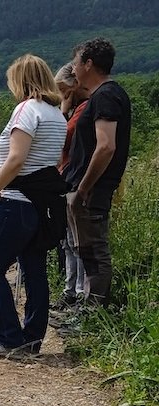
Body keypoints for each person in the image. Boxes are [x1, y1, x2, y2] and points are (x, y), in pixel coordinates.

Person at [0, 54, 67, 359]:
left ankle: (9, 337)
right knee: (34, 268)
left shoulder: (25, 110)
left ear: (21, 80)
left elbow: (17, 158)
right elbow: (40, 159)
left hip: (17, 201)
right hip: (42, 204)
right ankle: (32, 339)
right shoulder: (56, 114)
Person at [63, 38, 130, 311]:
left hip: (92, 189)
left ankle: (94, 313)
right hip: (88, 187)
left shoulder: (105, 95)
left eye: (76, 62)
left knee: (94, 251)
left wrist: (84, 188)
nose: (73, 68)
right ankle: (89, 309)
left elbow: (106, 146)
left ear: (89, 63)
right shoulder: (103, 96)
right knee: (87, 251)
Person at [52, 62, 90, 310]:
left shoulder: (83, 109)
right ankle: (70, 290)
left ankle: (79, 294)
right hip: (66, 178)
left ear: (74, 85)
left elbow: (62, 137)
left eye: (63, 89)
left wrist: (63, 111)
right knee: (68, 242)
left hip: (77, 179)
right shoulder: (76, 108)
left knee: (79, 243)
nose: (61, 95)